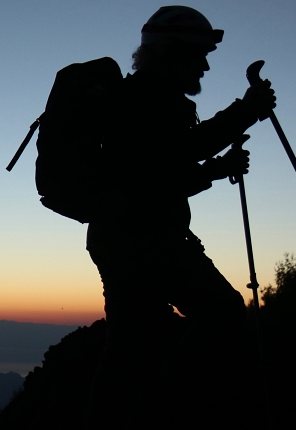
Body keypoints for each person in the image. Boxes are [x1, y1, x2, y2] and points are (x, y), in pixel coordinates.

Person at [83, 6, 276, 429]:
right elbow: (176, 156)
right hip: (146, 240)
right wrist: (246, 110)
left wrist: (216, 168)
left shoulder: (141, 96)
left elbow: (158, 173)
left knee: (129, 351)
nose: (206, 65)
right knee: (223, 313)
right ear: (174, 52)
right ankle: (164, 413)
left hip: (121, 237)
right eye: (200, 54)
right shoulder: (151, 96)